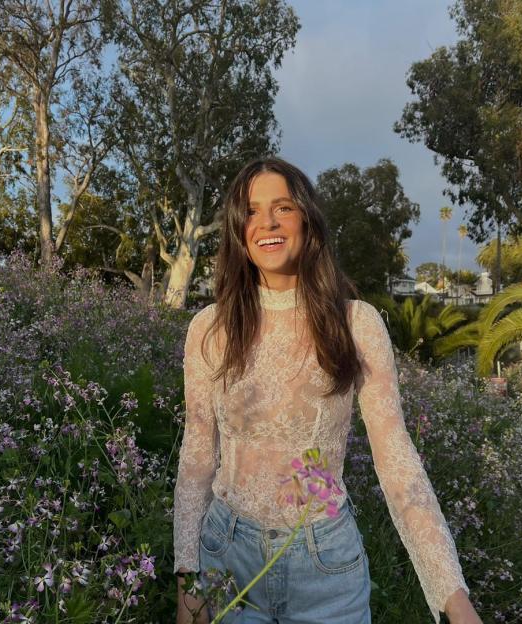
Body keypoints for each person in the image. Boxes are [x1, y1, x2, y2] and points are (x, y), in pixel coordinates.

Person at [174, 157, 483, 624]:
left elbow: (397, 462)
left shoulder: (357, 324)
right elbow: (197, 457)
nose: (268, 223)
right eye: (252, 211)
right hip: (226, 563)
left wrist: (452, 597)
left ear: (307, 219)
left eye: (283, 207)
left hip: (326, 569)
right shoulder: (208, 330)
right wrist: (187, 578)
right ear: (238, 229)